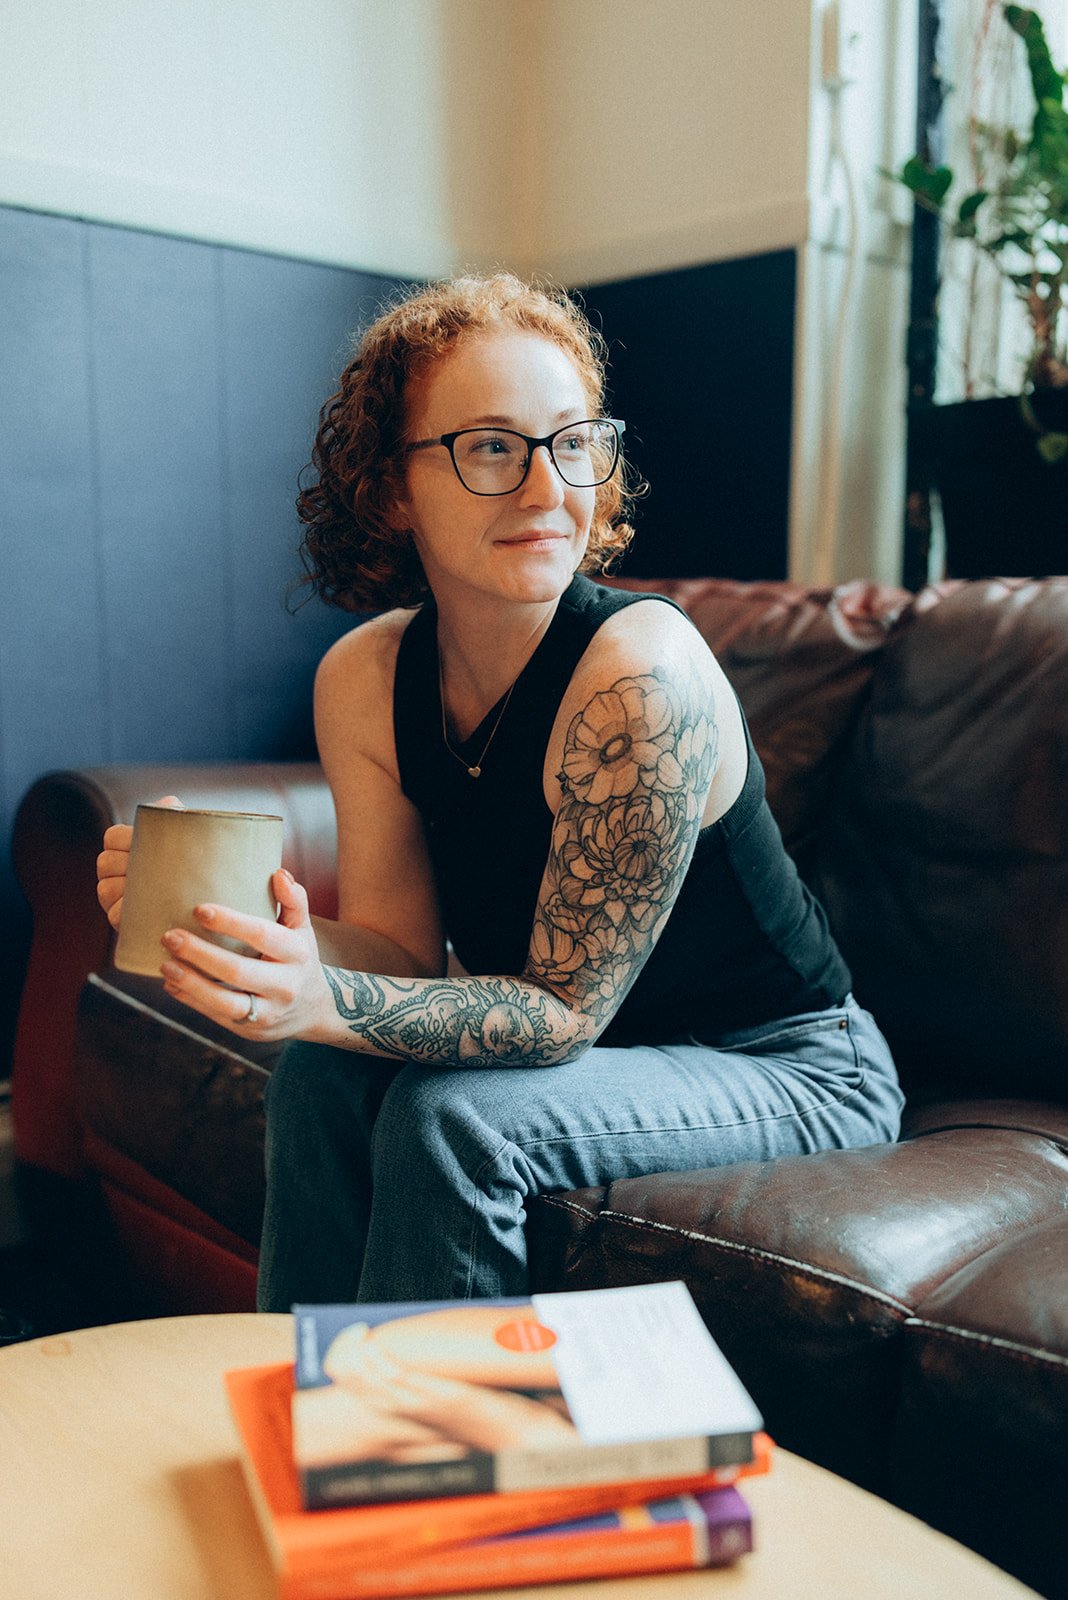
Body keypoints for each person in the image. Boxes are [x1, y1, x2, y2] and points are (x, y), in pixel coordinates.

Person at [96, 272, 903, 1312]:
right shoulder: (367, 676)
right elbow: (394, 950)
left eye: (572, 443)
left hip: (792, 1069)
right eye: (490, 446)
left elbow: (561, 1015)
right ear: (393, 486)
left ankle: (422, 1463)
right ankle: (310, 1417)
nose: (544, 489)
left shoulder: (639, 674)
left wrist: (321, 997)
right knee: (320, 1070)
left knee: (451, 1114)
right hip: (617, 1051)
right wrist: (246, 939)